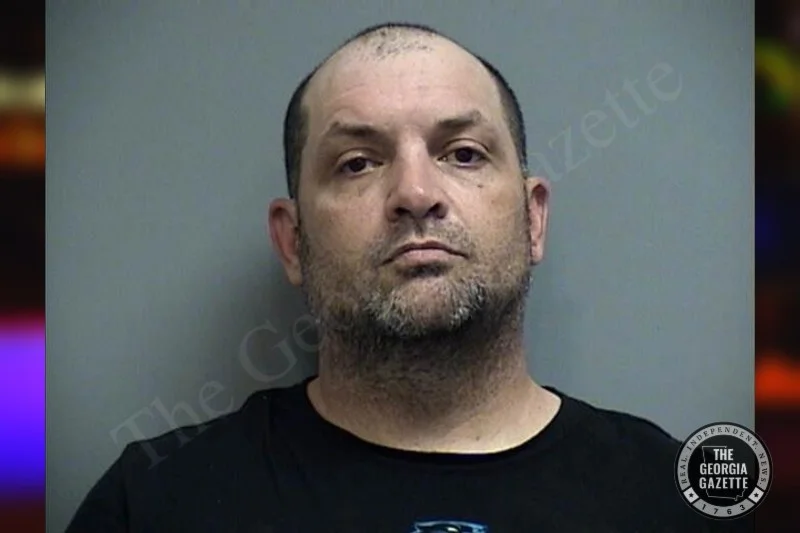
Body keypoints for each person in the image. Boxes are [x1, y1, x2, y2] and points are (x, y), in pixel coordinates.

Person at [65, 22, 750, 532]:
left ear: (534, 219)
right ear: (292, 240)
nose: (416, 193)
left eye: (463, 153)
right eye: (357, 163)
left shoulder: (678, 500)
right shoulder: (153, 504)